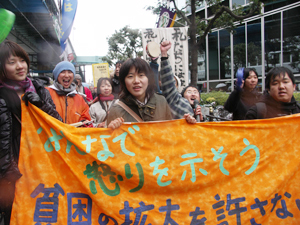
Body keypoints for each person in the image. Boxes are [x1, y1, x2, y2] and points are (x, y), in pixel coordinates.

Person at [0, 40, 62, 225]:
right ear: (2, 67)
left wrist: (40, 105)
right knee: (18, 215)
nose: (20, 66)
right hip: (15, 171)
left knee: (45, 213)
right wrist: (9, 173)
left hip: (42, 164)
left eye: (22, 60)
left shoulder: (39, 88)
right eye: (12, 62)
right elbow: (2, 140)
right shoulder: (1, 96)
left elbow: (57, 123)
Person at [159, 40, 203, 121]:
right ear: (182, 96)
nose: (193, 94)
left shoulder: (205, 113)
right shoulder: (179, 104)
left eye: (195, 92)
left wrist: (200, 120)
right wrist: (164, 54)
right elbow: (169, 84)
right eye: (189, 92)